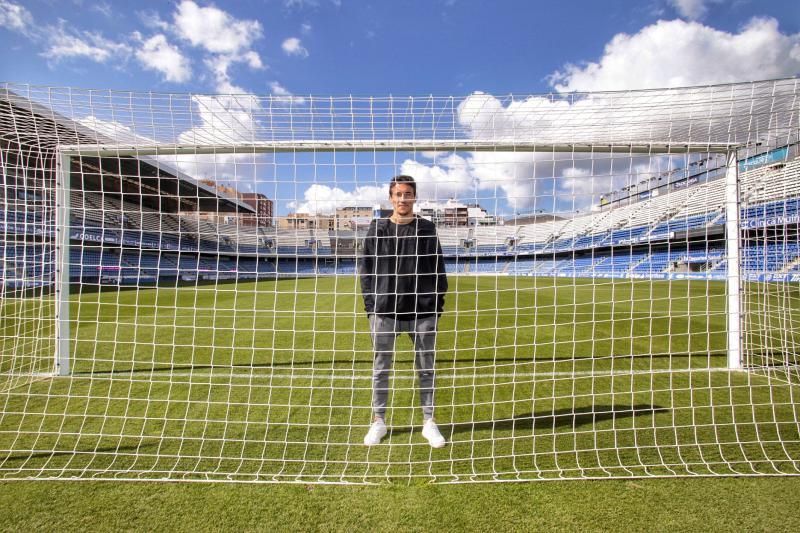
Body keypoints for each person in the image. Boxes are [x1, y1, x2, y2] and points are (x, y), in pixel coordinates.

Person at [359, 174, 449, 448]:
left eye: (408, 194)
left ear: (414, 197)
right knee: (381, 369)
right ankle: (378, 421)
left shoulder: (426, 229)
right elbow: (366, 271)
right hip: (384, 312)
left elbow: (438, 269)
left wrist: (435, 306)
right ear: (391, 197)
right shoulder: (378, 228)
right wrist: (371, 309)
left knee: (426, 369)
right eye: (398, 194)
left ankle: (429, 422)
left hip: (421, 312)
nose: (403, 199)